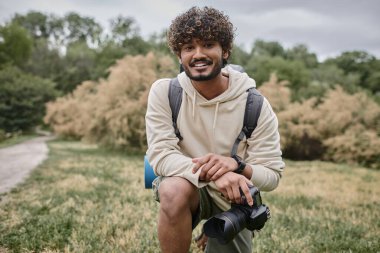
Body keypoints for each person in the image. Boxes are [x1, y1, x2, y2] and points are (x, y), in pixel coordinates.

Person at [145, 6, 285, 253]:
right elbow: (160, 156)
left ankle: (214, 231)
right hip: (188, 186)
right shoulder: (165, 92)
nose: (198, 54)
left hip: (233, 199)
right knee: (172, 189)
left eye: (208, 45)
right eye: (188, 47)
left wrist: (238, 166)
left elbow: (272, 174)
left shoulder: (255, 104)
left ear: (225, 50)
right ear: (180, 56)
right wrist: (217, 173)